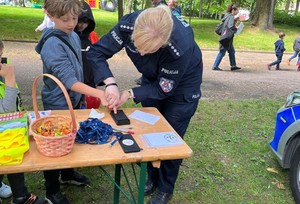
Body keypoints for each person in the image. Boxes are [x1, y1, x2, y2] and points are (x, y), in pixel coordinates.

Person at [87, 5, 203, 204]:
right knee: (149, 129)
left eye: (148, 50)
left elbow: (165, 88)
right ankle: (151, 176)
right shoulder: (127, 24)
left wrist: (129, 93)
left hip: (183, 86)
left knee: (170, 137)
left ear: (164, 42)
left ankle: (166, 188)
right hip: (152, 79)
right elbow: (96, 53)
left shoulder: (179, 46)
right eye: (137, 47)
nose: (140, 54)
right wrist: (111, 84)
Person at [35, 0, 108, 203]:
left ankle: (67, 174)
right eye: (64, 19)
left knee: (69, 138)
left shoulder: (74, 35)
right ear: (50, 15)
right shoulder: (52, 45)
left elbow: (78, 71)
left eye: (74, 18)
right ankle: (52, 190)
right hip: (58, 103)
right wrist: (100, 94)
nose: (70, 23)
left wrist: (82, 96)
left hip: (73, 99)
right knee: (53, 145)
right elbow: (69, 80)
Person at [0, 40, 45, 204]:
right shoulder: (7, 74)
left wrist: (21, 115)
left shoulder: (3, 69)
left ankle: (21, 196)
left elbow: (13, 100)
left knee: (13, 153)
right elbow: (6, 110)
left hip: (8, 131)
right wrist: (10, 78)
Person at [74, 1, 99, 88]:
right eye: (79, 21)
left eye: (85, 22)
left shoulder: (92, 36)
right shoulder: (69, 36)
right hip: (75, 82)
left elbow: (97, 57)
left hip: (90, 80)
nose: (81, 25)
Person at [212, 3, 241, 71]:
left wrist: (235, 20)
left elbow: (227, 24)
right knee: (222, 52)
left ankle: (233, 66)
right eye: (237, 10)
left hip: (226, 37)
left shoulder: (227, 15)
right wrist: (237, 28)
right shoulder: (231, 17)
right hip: (226, 38)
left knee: (232, 51)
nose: (238, 12)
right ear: (233, 10)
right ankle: (215, 66)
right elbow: (230, 27)